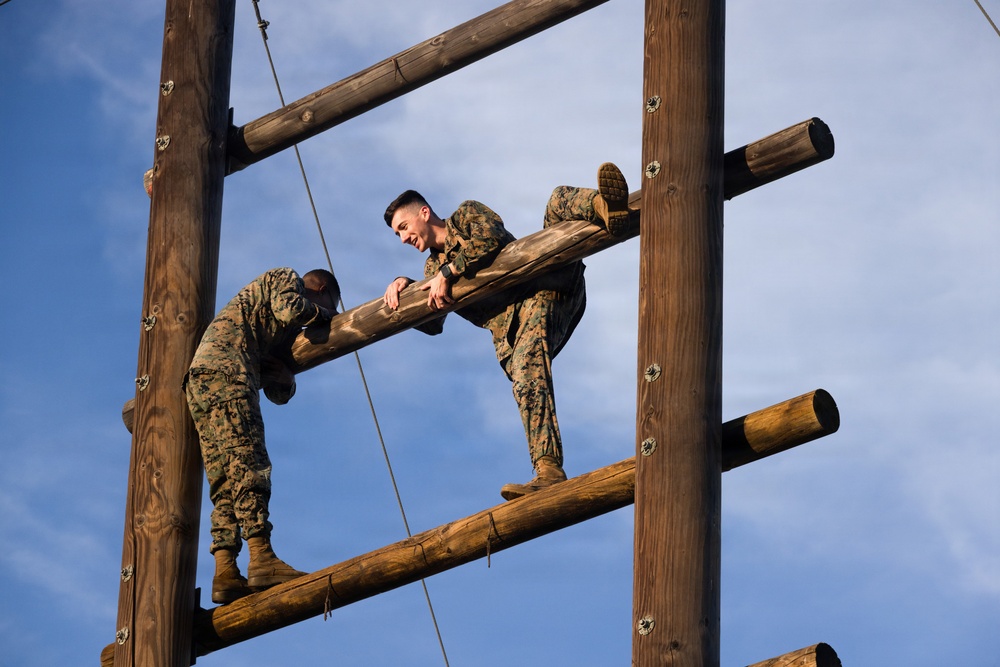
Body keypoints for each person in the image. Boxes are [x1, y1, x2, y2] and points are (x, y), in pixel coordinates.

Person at [382, 163, 629, 501]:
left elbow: (492, 236)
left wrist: (450, 271)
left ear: (424, 213)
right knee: (526, 374)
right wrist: (407, 287)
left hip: (549, 284)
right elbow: (433, 323)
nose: (404, 238)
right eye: (398, 234)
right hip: (519, 327)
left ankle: (606, 208)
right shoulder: (430, 271)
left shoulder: (465, 216)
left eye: (404, 227)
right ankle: (548, 471)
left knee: (557, 200)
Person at [185, 267, 339, 604]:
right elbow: (294, 308)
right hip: (228, 372)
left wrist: (287, 378)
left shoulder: (274, 325)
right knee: (249, 464)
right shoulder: (286, 279)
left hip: (201, 382)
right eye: (330, 303)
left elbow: (277, 392)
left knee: (225, 481)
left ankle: (225, 571)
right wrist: (329, 315)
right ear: (322, 289)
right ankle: (262, 557)